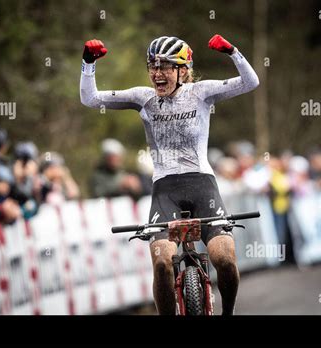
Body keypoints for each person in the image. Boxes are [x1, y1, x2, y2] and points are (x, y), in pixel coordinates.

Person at [80, 34, 259, 315]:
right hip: (166, 189)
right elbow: (90, 99)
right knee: (162, 262)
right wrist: (88, 63)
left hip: (202, 184)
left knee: (223, 258)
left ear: (183, 70)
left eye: (165, 66)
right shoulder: (143, 97)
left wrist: (232, 51)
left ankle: (229, 312)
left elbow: (251, 82)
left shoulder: (201, 92)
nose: (157, 74)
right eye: (152, 66)